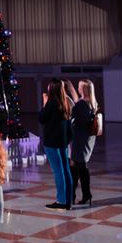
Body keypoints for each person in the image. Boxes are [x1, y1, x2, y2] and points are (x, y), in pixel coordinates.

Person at [40, 79, 73, 210]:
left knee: (58, 171)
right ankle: (68, 199)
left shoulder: (51, 103)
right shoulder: (65, 102)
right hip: (63, 141)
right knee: (65, 170)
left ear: (52, 90)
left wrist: (44, 104)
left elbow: (41, 118)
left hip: (52, 142)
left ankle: (61, 201)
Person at [71, 80, 98, 207]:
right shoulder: (92, 102)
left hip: (80, 139)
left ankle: (74, 196)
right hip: (88, 138)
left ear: (84, 89)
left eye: (80, 87)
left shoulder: (81, 104)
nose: (78, 89)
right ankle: (85, 195)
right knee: (80, 167)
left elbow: (73, 117)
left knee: (77, 167)